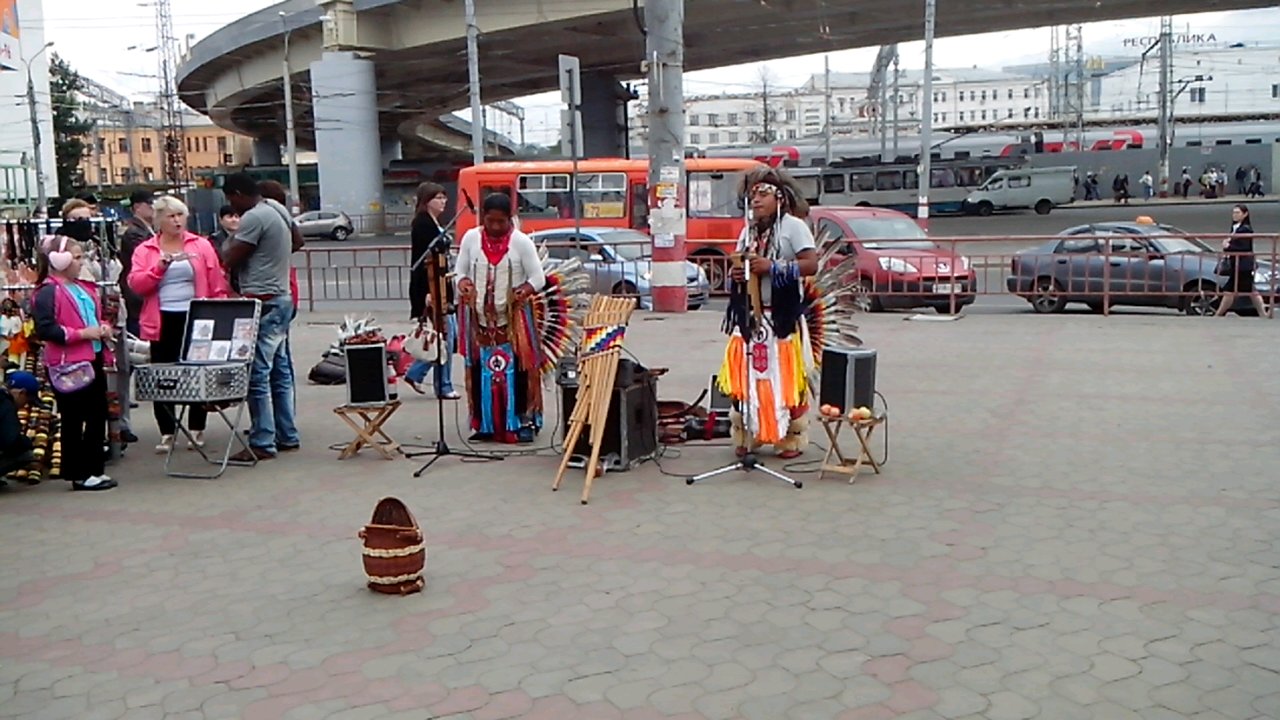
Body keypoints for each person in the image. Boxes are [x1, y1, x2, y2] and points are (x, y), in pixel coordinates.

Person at [719, 167, 820, 460]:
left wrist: (773, 267)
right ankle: (747, 433)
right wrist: (737, 273)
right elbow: (739, 265)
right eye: (752, 195)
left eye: (763, 194)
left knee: (784, 377)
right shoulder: (748, 231)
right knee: (744, 377)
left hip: (781, 318)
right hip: (749, 316)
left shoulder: (793, 227)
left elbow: (811, 264)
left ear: (780, 198)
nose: (756, 200)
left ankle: (790, 436)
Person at [127, 196, 230, 452]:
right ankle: (167, 431)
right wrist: (159, 269)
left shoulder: (201, 245)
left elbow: (216, 281)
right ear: (159, 220)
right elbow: (136, 285)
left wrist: (218, 311)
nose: (177, 221)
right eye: (171, 216)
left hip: (196, 315)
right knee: (163, 375)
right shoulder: (146, 250)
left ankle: (197, 427)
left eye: (180, 215)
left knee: (196, 371)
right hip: (161, 317)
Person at [455, 193, 545, 443]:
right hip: (480, 321)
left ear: (510, 219)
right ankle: (485, 423)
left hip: (514, 321)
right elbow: (459, 271)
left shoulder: (521, 242)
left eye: (501, 222)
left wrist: (524, 290)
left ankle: (523, 421)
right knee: (481, 370)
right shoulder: (471, 238)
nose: (495, 227)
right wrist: (462, 282)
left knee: (520, 371)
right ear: (483, 218)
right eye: (490, 221)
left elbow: (538, 278)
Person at [221, 172, 300, 460]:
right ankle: (287, 433)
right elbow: (298, 240)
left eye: (232, 201)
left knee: (257, 374)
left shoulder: (254, 217)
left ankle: (263, 440)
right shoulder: (276, 208)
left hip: (263, 300)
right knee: (280, 372)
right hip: (281, 296)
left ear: (238, 194)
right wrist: (274, 256)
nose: (233, 208)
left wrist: (231, 244)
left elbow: (232, 257)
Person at [31, 234, 116, 490]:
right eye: (77, 257)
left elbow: (93, 316)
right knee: (75, 418)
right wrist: (82, 334)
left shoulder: (82, 287)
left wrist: (103, 327)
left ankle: (94, 469)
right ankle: (79, 473)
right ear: (60, 260)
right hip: (68, 364)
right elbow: (45, 329)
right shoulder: (48, 292)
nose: (81, 262)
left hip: (92, 358)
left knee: (97, 415)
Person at [405, 182, 460, 399]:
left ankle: (417, 373)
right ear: (427, 201)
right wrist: (427, 292)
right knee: (445, 336)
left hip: (443, 286)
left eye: (444, 197)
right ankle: (442, 385)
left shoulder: (434, 222)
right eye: (438, 197)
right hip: (433, 289)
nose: (443, 201)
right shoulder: (422, 224)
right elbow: (423, 261)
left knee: (446, 337)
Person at [1215, 204, 1271, 318]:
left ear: (1245, 214)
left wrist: (1228, 246)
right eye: (1234, 213)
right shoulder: (1235, 227)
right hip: (1238, 264)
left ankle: (1218, 315)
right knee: (1247, 290)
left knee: (1231, 291)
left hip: (1242, 265)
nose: (1234, 215)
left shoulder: (1245, 229)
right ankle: (1263, 313)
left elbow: (1245, 247)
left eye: (1238, 213)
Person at [118, 191, 155, 338]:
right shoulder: (134, 232)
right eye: (150, 203)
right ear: (137, 207)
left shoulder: (148, 229)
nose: (154, 207)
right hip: (137, 294)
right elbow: (147, 258)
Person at [0, 371, 39, 476]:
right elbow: (9, 440)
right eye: (27, 401)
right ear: (22, 393)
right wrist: (26, 442)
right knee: (26, 455)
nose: (25, 405)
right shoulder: (6, 406)